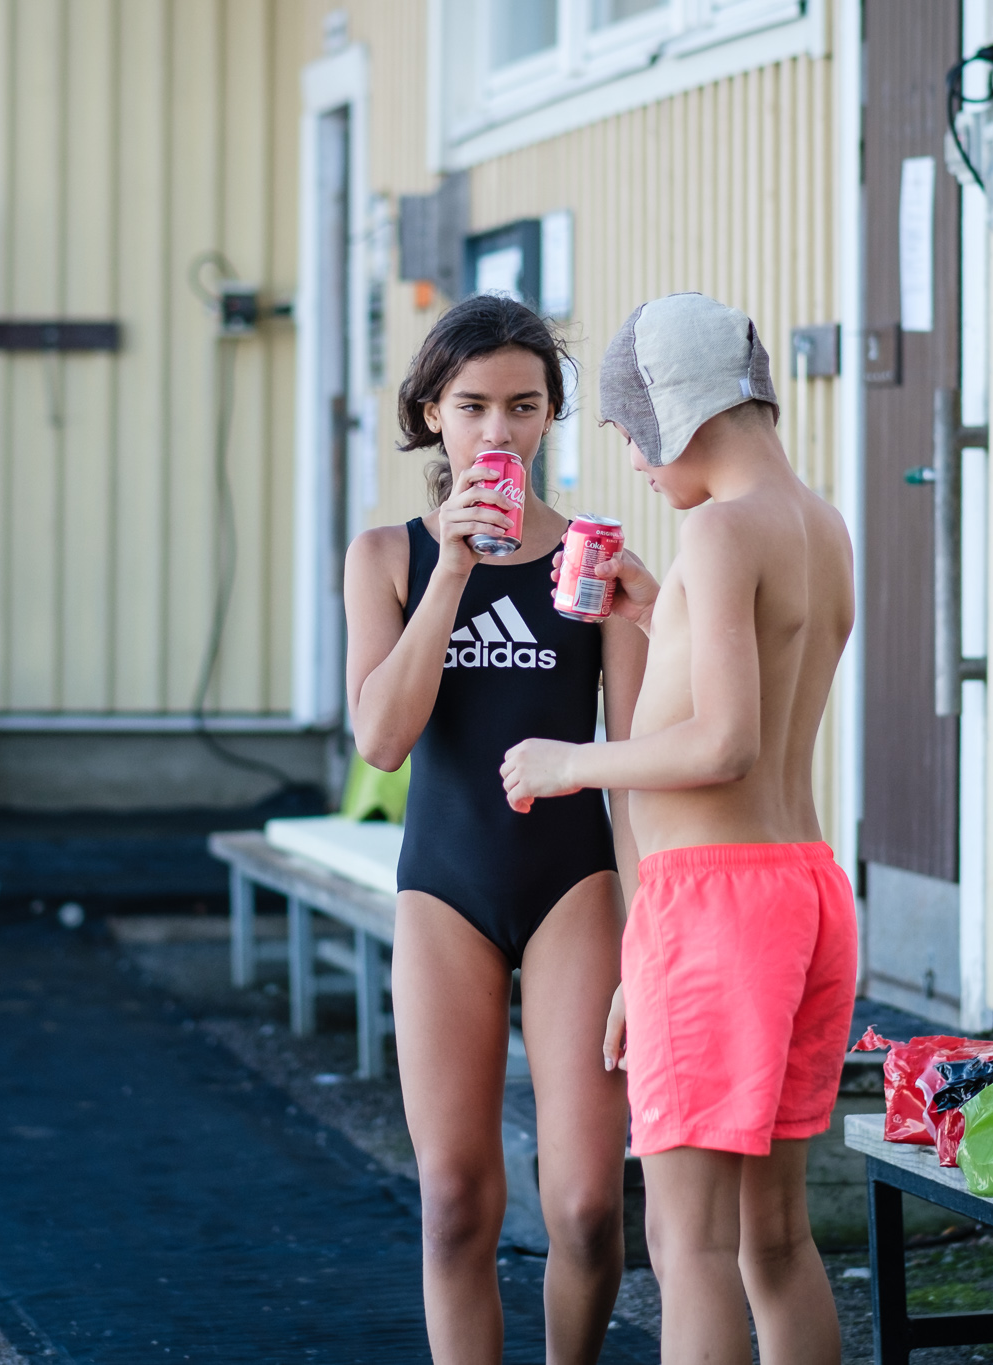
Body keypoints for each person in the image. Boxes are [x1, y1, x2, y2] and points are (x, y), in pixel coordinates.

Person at [500, 293, 858, 1365]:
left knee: (684, 1238)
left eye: (629, 435)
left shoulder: (715, 527)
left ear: (674, 412)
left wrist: (568, 764)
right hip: (797, 890)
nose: (638, 465)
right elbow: (761, 673)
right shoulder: (814, 520)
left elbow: (719, 747)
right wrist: (655, 610)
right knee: (775, 1239)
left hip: (715, 906)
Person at [344, 293, 647, 1365]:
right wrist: (455, 568)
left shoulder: (595, 561)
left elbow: (641, 765)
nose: (498, 431)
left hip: (573, 886)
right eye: (472, 406)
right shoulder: (385, 555)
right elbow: (381, 742)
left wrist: (644, 938)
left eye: (523, 406)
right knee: (457, 1204)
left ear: (551, 414)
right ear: (431, 413)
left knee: (584, 1208)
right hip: (445, 890)